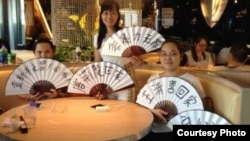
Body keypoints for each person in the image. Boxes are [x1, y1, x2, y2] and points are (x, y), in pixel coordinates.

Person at [138, 39, 209, 141]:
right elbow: (142, 107)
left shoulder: (192, 80)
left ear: (181, 56)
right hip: (153, 129)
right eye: (163, 54)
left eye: (173, 54)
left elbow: (201, 110)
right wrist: (151, 111)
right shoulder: (153, 79)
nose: (168, 58)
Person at [93, 0, 143, 101]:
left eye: (113, 13)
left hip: (126, 81)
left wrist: (137, 61)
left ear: (118, 15)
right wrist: (99, 86)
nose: (109, 16)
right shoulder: (98, 37)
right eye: (105, 13)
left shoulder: (126, 34)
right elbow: (98, 64)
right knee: (110, 112)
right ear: (101, 15)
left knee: (126, 112)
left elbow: (139, 59)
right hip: (108, 82)